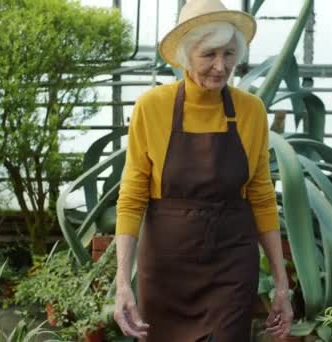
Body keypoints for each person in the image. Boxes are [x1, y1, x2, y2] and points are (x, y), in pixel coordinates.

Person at [113, 0, 293, 340]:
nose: (220, 66)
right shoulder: (152, 108)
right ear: (185, 55)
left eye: (228, 54)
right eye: (209, 54)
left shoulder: (251, 110)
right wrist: (123, 282)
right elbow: (132, 197)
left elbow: (262, 197)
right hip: (165, 267)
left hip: (231, 263)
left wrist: (281, 284)